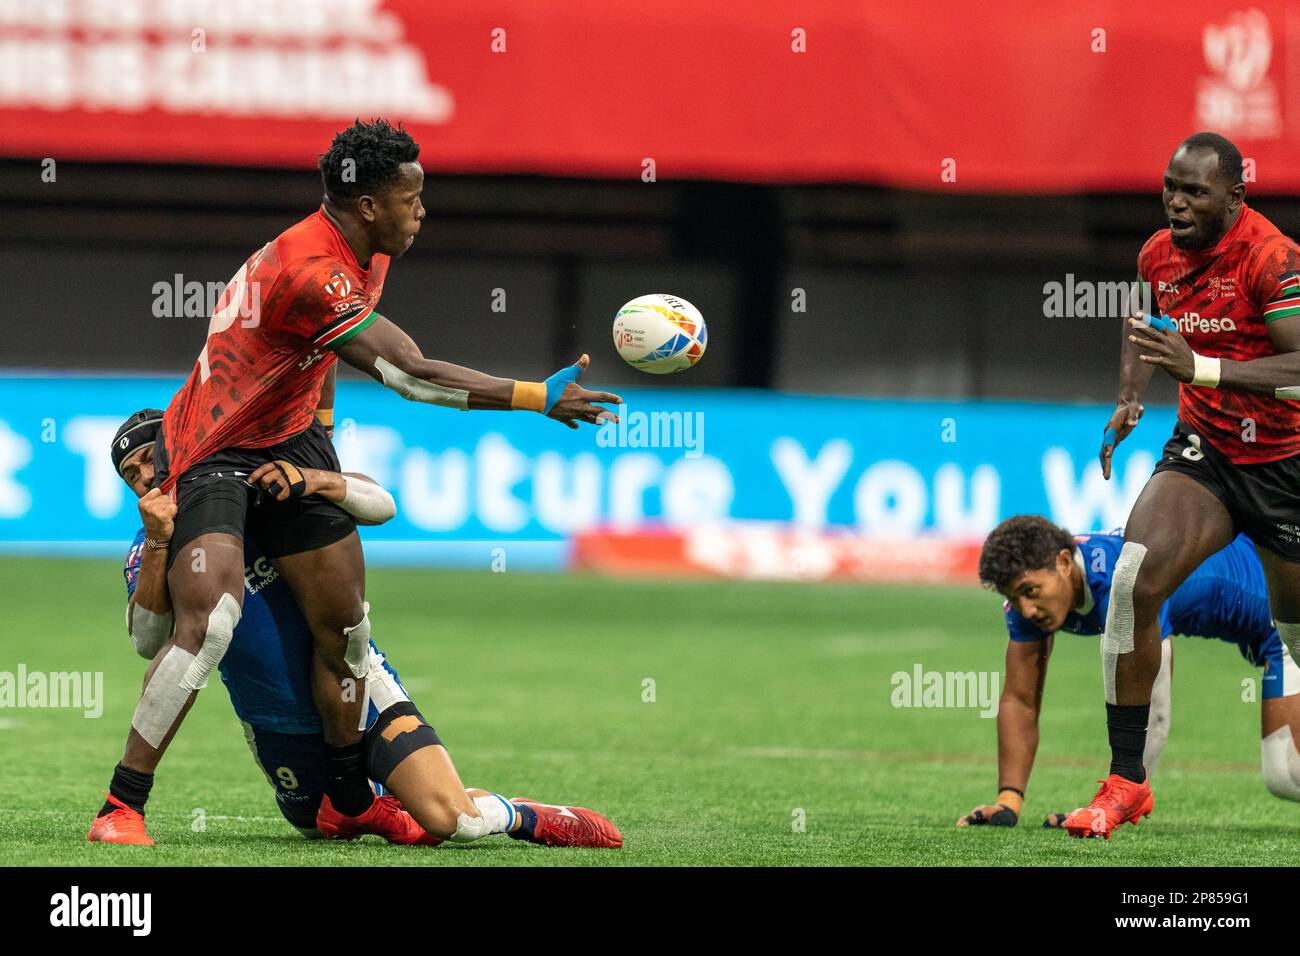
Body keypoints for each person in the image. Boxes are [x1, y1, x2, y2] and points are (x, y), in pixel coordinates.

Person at [89, 117, 622, 845]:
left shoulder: (360, 250)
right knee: (211, 619)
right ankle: (121, 807)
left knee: (346, 629)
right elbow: (407, 372)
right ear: (368, 204)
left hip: (290, 438)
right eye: (412, 196)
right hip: (216, 447)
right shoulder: (312, 267)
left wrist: (320, 459)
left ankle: (351, 790)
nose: (421, 210)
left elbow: (322, 358)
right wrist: (534, 396)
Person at [90, 409, 622, 850]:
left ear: (180, 445)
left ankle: (514, 813)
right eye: (128, 472)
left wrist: (317, 480)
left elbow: (382, 503)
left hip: (359, 692)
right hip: (276, 724)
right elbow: (146, 640)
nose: (142, 474)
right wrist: (161, 542)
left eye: (147, 456)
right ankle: (376, 800)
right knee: (317, 827)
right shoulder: (151, 541)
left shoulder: (265, 486)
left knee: (451, 823)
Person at [1074, 131, 1300, 837]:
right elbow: (1145, 323)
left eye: (1194, 191)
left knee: (1296, 632)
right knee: (1133, 583)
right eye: (1170, 186)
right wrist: (1128, 397)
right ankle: (1125, 781)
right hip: (1205, 452)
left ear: (1235, 196)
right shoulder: (1157, 253)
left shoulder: (1273, 259)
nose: (1175, 201)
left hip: (1286, 466)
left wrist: (1198, 367)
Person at [956, 515, 1300, 833]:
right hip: (1271, 633)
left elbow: (1156, 713)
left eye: (1030, 592)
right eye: (1014, 599)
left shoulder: (1121, 581)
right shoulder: (1033, 601)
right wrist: (1008, 801)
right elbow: (1020, 699)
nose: (1026, 609)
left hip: (1288, 620)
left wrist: (1113, 808)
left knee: (1287, 775)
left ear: (1063, 562)